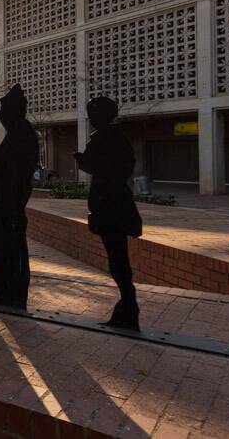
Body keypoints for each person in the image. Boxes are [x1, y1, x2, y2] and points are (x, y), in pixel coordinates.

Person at [75, 97, 143, 330]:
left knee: (118, 259)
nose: (91, 119)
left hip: (111, 207)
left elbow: (110, 169)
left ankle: (129, 305)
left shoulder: (107, 138)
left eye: (93, 115)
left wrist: (84, 162)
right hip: (111, 205)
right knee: (117, 258)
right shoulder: (115, 138)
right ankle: (127, 304)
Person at [0, 84, 39, 310]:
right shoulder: (15, 133)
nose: (2, 117)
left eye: (4, 111)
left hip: (8, 207)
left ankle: (12, 295)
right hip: (0, 206)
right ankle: (2, 293)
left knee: (9, 252)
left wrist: (12, 202)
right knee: (0, 252)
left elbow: (17, 175)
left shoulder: (22, 135)